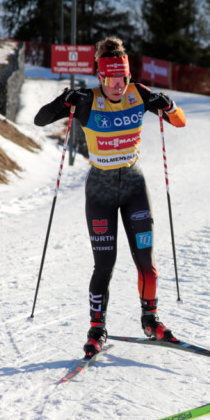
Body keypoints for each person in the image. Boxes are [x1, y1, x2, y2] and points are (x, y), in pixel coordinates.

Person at [34, 36, 187, 359]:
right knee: (104, 265)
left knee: (146, 263)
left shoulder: (138, 94)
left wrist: (167, 104)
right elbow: (40, 120)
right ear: (100, 77)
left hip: (133, 186)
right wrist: (64, 101)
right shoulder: (86, 100)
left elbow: (180, 121)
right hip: (101, 190)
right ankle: (96, 330)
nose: (118, 86)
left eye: (123, 78)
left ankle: (151, 320)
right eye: (111, 79)